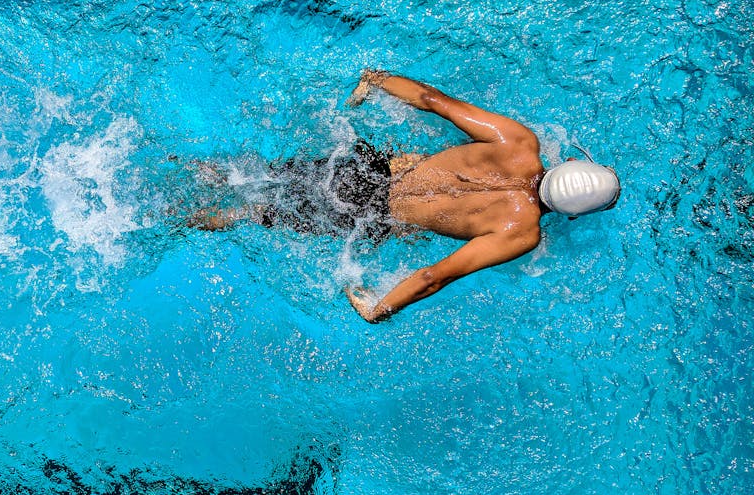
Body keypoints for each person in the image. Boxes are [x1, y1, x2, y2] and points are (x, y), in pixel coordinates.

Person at [189, 70, 620, 323]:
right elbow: (435, 276)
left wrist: (377, 80)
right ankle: (175, 217)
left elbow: (433, 100)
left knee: (252, 176)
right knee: (252, 213)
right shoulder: (521, 232)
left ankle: (189, 165)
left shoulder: (519, 142)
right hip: (369, 216)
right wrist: (380, 308)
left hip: (367, 168)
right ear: (573, 214)